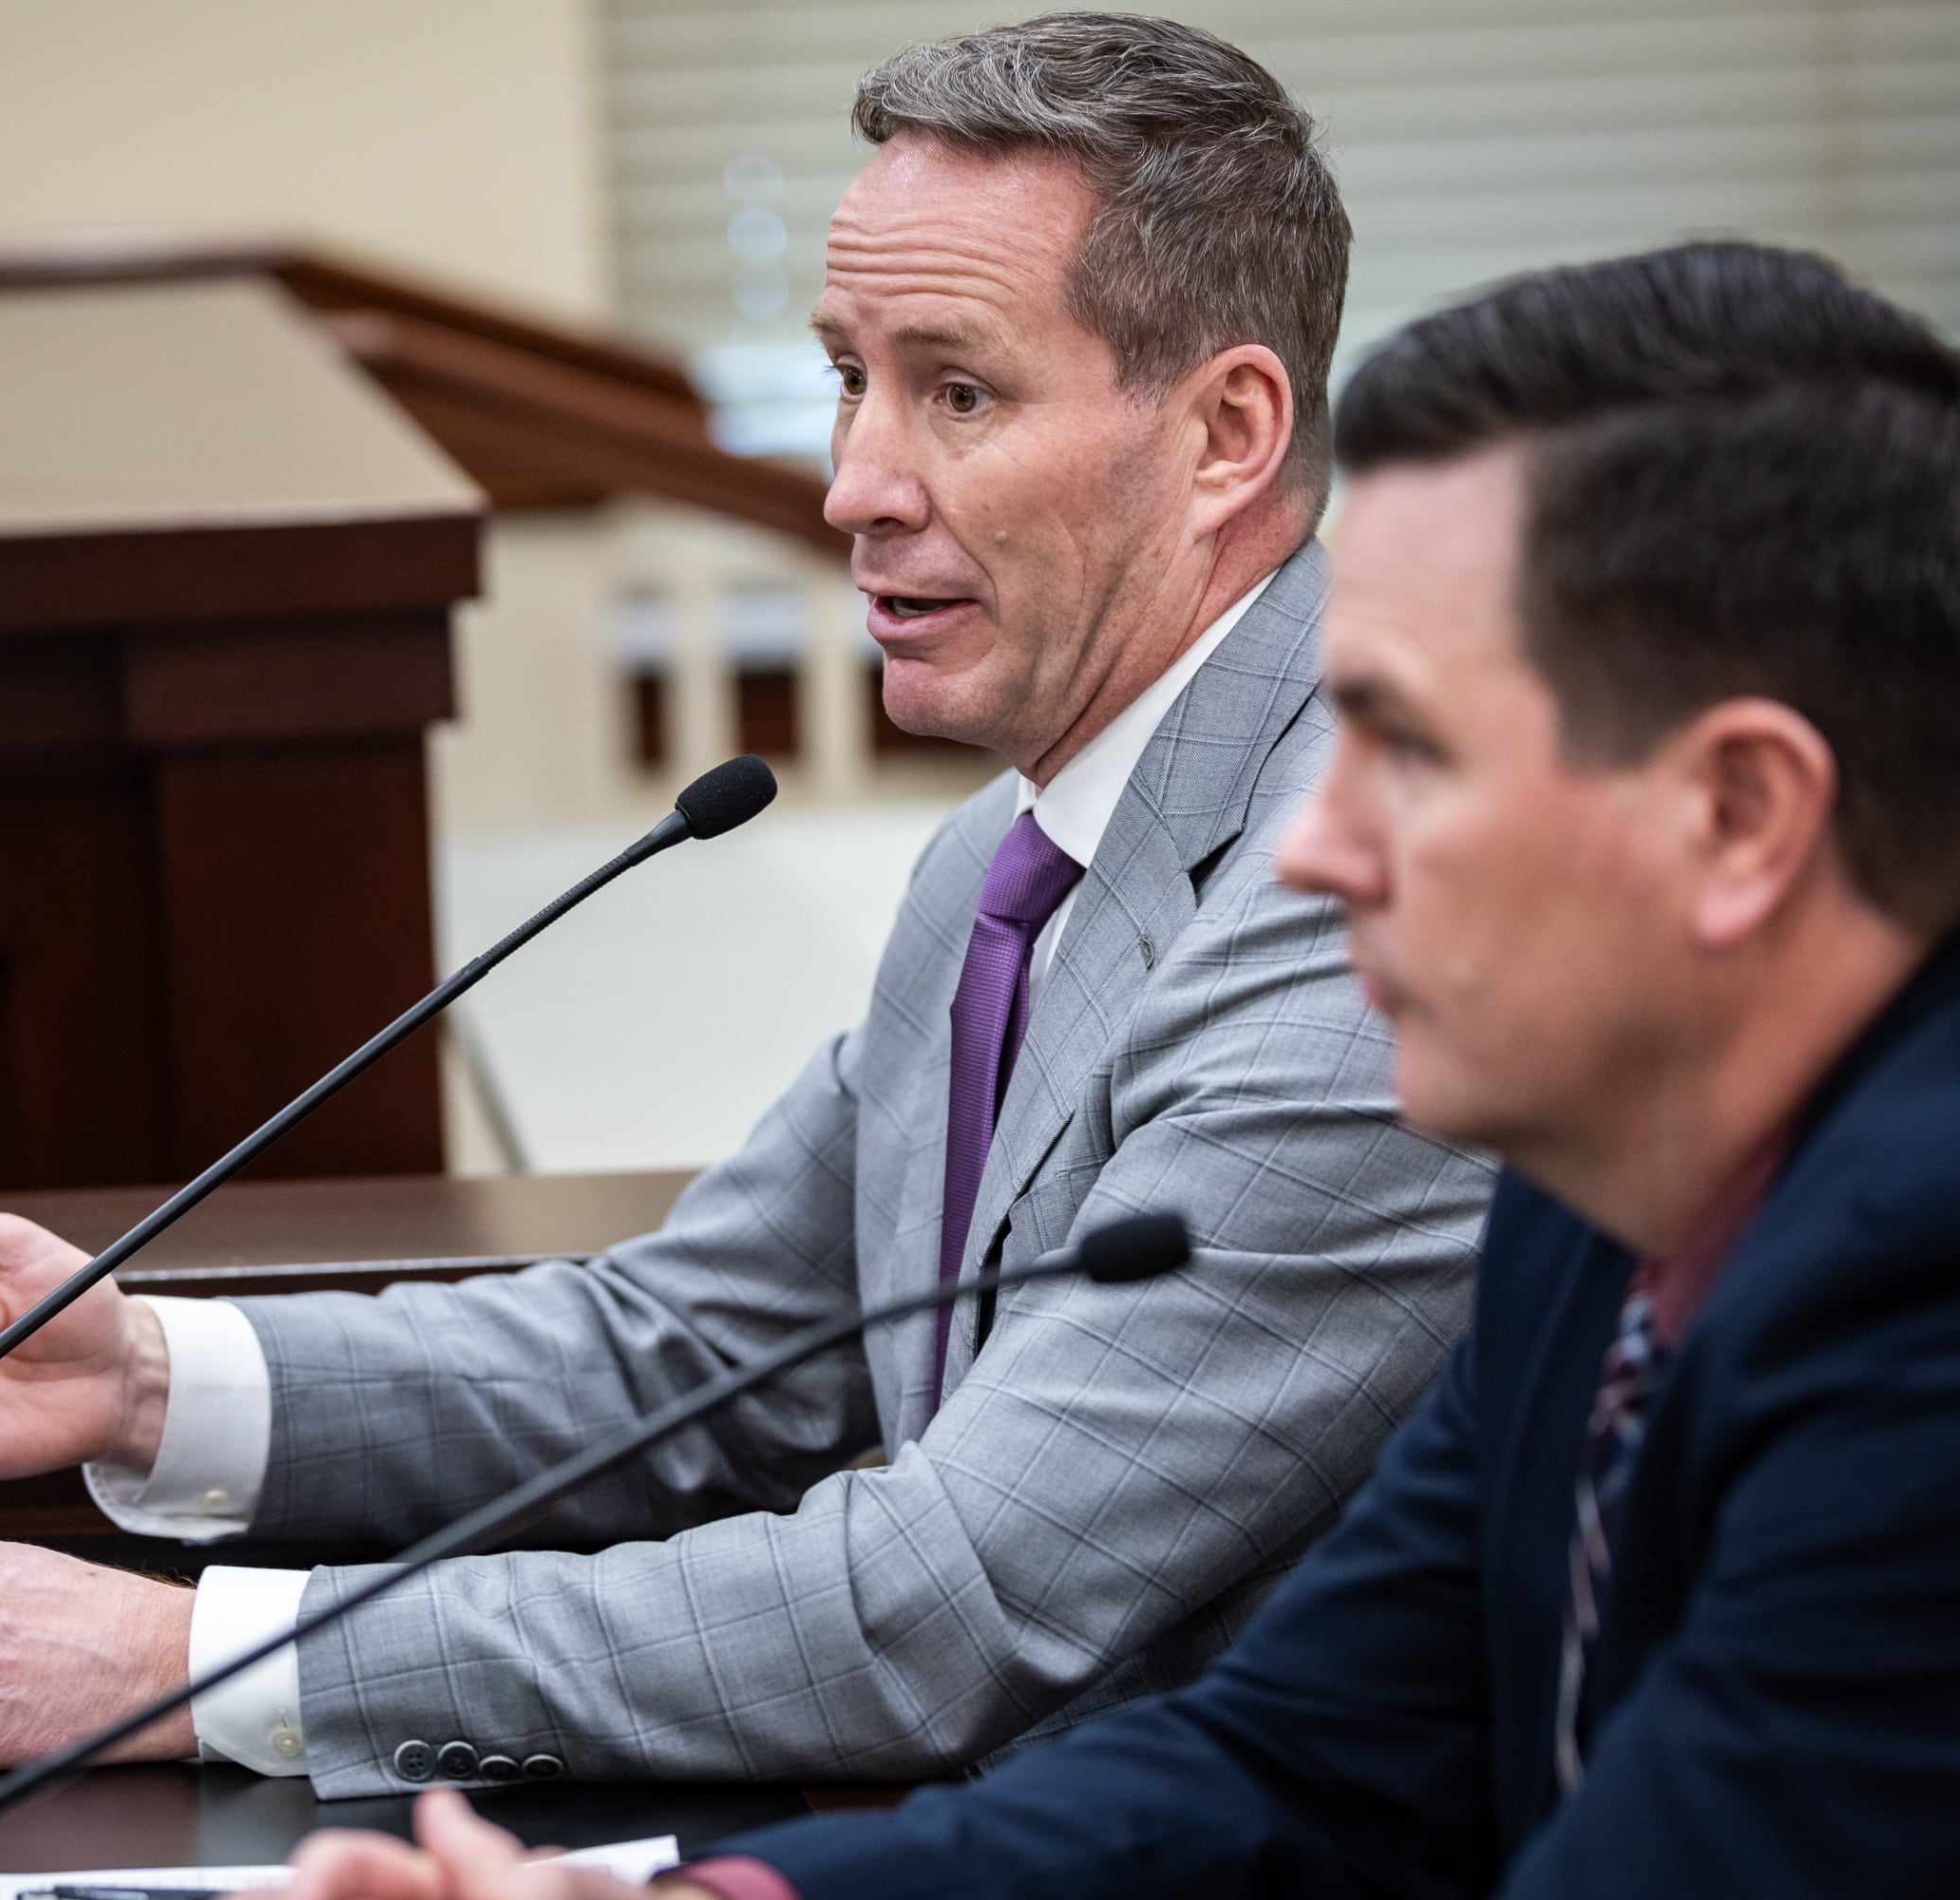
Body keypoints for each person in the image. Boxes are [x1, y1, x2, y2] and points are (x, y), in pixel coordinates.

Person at [0, 15, 1491, 1790]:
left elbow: (945, 1603)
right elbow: (704, 1346)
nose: (855, 484)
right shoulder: (1018, 853)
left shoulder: (1360, 914)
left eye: (960, 390)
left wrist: (175, 1662)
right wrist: (149, 1373)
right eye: (851, 378)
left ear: (1227, 434)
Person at [274, 239, 1960, 1897]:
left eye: (1413, 750)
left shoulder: (1913, 1315)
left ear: (1739, 819)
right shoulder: (1600, 1204)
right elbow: (1302, 1762)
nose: (1320, 851)